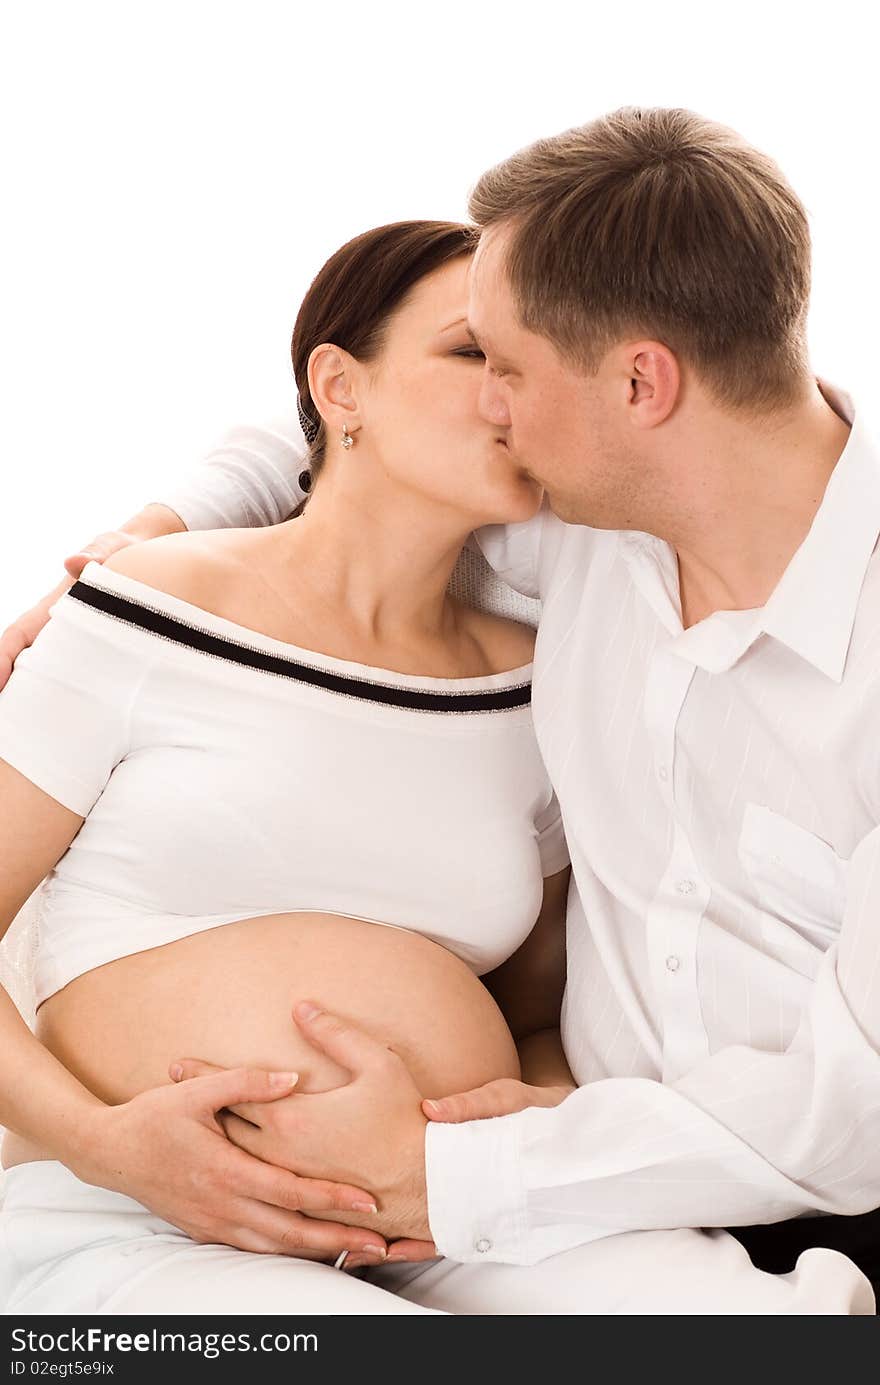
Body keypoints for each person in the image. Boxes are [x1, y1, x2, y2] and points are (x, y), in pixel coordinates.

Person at [1, 112, 876, 1315]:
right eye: (479, 361)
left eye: (505, 368)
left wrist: (451, 1163)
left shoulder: (565, 586)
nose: (497, 410)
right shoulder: (581, 532)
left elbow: (852, 1103)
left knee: (784, 1329)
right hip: (363, 1200)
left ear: (638, 383)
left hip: (684, 1189)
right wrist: (151, 531)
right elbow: (336, 433)